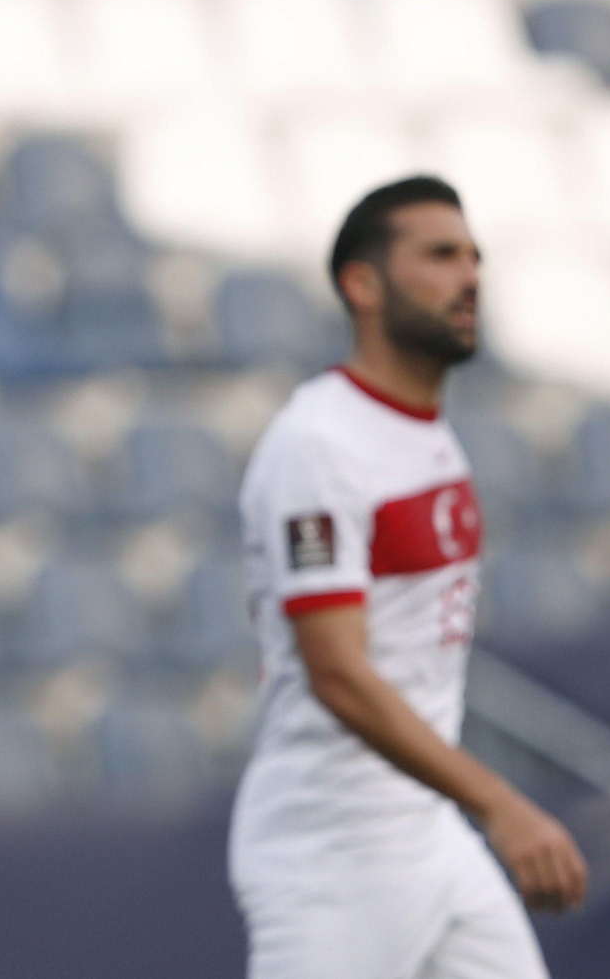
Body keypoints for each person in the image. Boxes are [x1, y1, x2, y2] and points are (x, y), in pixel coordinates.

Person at [229, 176, 588, 978]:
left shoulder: (422, 433)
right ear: (363, 285)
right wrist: (497, 801)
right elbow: (339, 675)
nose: (470, 276)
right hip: (333, 850)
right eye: (440, 255)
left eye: (474, 257)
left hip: (423, 831)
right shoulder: (319, 446)